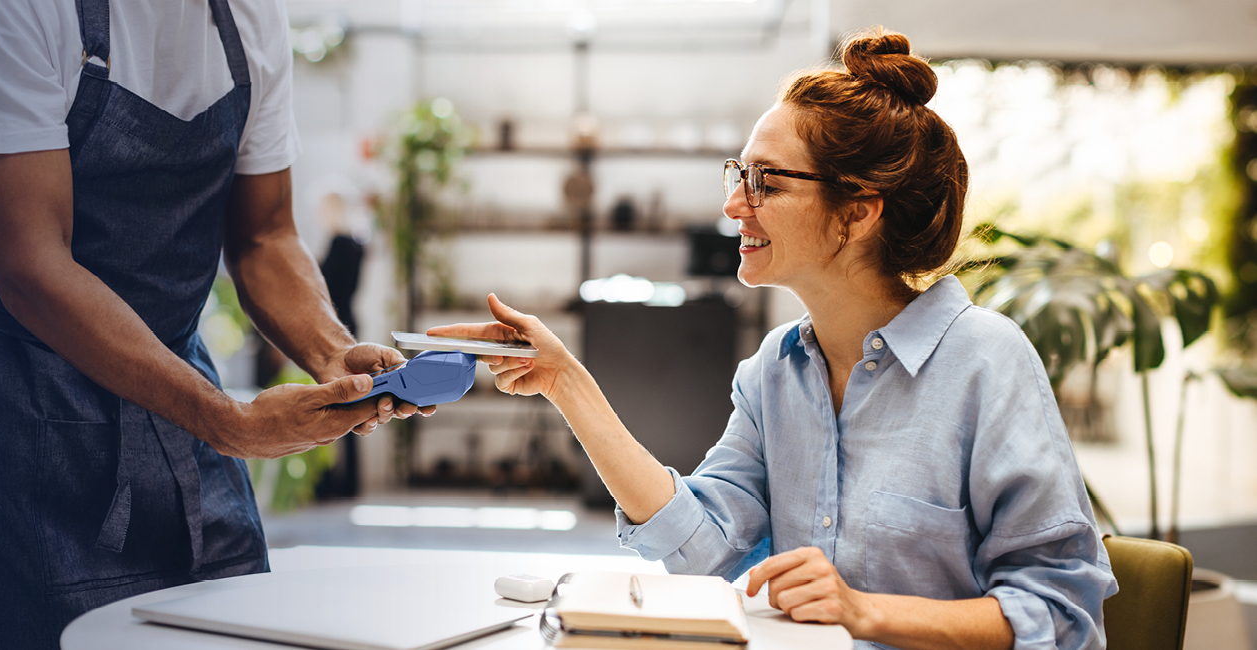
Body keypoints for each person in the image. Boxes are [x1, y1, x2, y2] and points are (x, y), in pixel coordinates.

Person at [429, 28, 1113, 650]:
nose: (734, 204)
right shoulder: (774, 372)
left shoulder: (985, 362)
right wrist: (565, 383)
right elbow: (703, 547)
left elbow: (1061, 613)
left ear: (860, 211)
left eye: (767, 182)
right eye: (739, 175)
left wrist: (866, 612)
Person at [0, 0, 427, 646]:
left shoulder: (247, 16)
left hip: (180, 415)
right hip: (22, 428)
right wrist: (227, 422)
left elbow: (265, 235)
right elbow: (33, 269)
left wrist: (335, 353)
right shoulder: (3, 7)